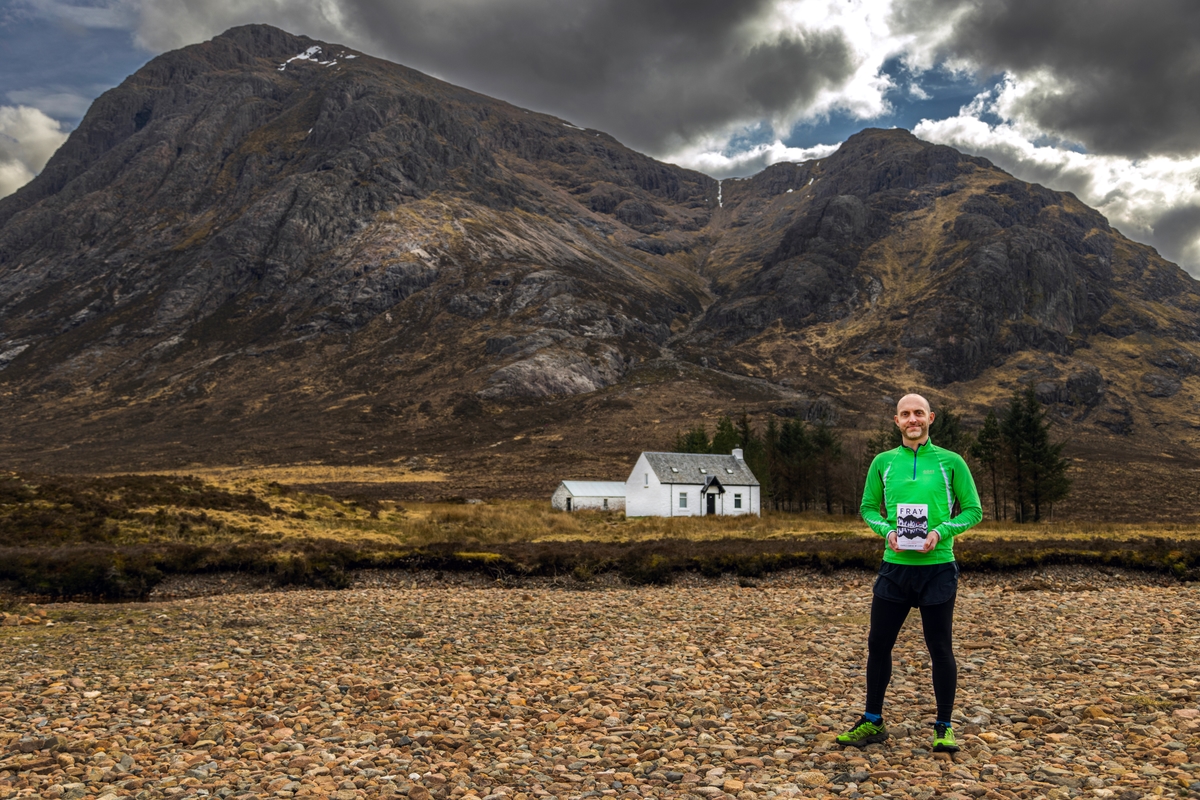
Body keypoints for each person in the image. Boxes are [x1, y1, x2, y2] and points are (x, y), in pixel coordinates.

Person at [837, 393, 982, 753]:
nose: (912, 419)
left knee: (940, 648)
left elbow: (973, 511)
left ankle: (944, 726)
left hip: (938, 569)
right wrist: (887, 532)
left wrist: (940, 532)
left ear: (931, 418)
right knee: (878, 645)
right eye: (906, 414)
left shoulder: (951, 462)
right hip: (895, 568)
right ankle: (872, 721)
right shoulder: (883, 462)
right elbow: (869, 508)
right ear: (896, 421)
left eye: (919, 413)